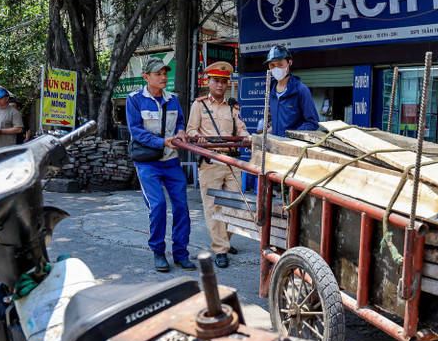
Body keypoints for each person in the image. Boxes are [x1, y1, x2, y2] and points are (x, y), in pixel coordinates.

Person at [126, 58, 195, 272]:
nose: (163, 77)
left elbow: (180, 121)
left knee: (181, 207)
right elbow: (136, 131)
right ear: (146, 77)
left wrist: (181, 131)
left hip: (171, 161)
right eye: (158, 74)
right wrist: (162, 142)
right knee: (158, 206)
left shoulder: (172, 99)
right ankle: (158, 252)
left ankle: (181, 254)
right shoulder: (135, 99)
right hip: (148, 163)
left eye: (165, 73)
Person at [186, 61, 250, 268]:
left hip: (231, 161)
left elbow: (242, 129)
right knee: (213, 206)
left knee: (235, 204)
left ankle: (224, 240)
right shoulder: (199, 105)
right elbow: (190, 129)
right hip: (210, 161)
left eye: (223, 81)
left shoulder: (233, 107)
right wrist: (197, 137)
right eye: (216, 80)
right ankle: (220, 248)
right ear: (208, 82)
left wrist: (248, 137)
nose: (220, 85)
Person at [263, 45, 319, 137]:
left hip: (292, 144)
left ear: (290, 63)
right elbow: (278, 124)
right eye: (272, 65)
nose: (276, 68)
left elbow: (313, 123)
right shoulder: (270, 91)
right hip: (275, 143)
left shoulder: (301, 90)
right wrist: (264, 135)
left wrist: (291, 136)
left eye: (280, 64)